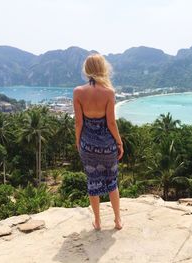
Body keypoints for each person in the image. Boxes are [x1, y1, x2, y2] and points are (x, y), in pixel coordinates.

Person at [73, 53, 124, 230]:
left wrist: (78, 142)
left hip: (88, 146)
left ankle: (97, 222)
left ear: (87, 70)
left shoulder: (78, 92)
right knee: (112, 182)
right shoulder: (109, 92)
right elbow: (111, 122)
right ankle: (117, 220)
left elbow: (79, 122)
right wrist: (119, 143)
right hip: (107, 146)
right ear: (103, 69)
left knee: (92, 181)